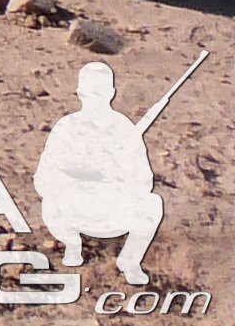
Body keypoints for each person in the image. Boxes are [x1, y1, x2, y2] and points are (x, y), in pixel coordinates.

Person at [37, 60, 170, 285]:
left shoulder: (124, 129)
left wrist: (119, 175)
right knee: (51, 201)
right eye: (91, 92)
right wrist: (85, 173)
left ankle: (129, 260)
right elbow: (42, 179)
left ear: (111, 93)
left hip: (110, 209)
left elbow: (144, 182)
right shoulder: (67, 127)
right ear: (80, 93)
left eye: (99, 92)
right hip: (73, 209)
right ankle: (72, 244)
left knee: (152, 203)